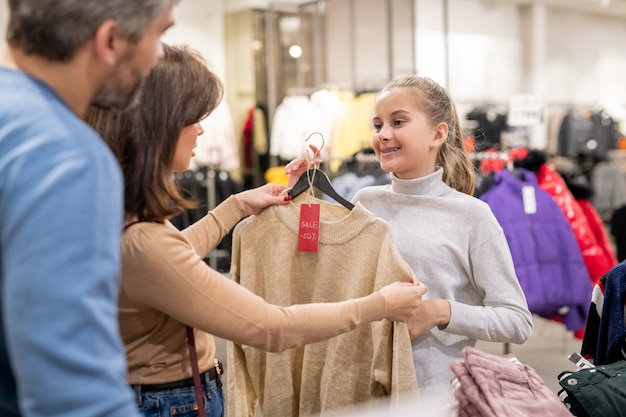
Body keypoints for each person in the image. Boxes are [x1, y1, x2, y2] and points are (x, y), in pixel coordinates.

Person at [84, 43, 427, 417]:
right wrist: (379, 304)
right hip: (169, 402)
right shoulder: (144, 240)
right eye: (192, 116)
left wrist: (234, 207)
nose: (202, 129)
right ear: (156, 127)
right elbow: (269, 328)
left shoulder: (123, 213)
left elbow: (169, 256)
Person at [287, 76, 534, 400]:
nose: (383, 135)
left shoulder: (472, 216)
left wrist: (441, 311)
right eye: (377, 125)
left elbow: (517, 321)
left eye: (398, 121)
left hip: (433, 397)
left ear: (438, 134)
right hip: (359, 388)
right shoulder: (365, 200)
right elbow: (322, 276)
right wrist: (298, 194)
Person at [0, 2, 177, 417]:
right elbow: (73, 395)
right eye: (159, 34)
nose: (161, 54)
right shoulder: (64, 155)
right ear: (110, 41)